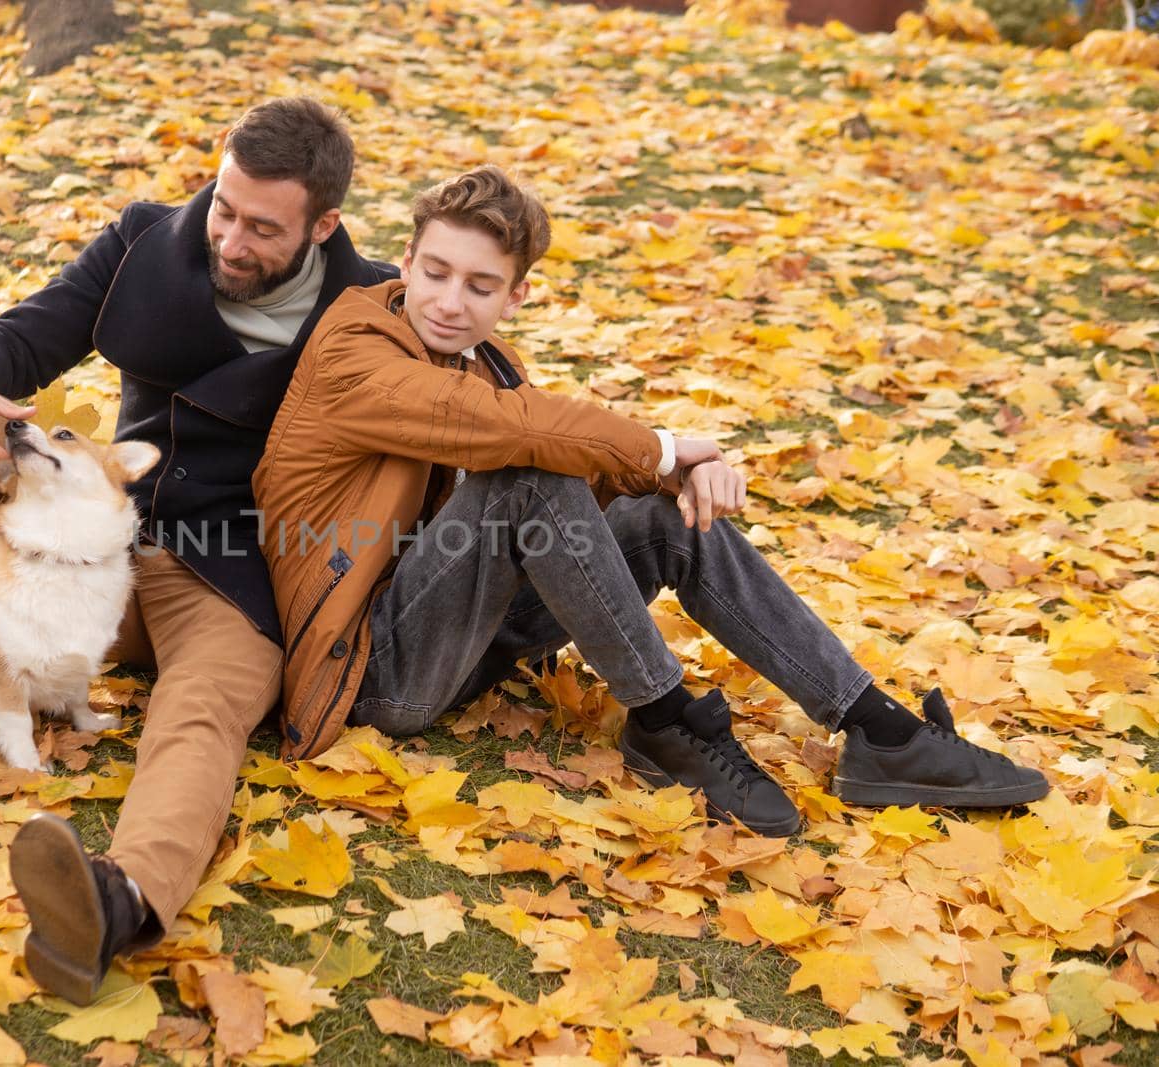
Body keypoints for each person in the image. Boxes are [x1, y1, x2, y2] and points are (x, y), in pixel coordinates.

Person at [0, 98, 394, 1004]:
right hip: (103, 537)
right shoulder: (146, 241)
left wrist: (657, 462)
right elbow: (25, 336)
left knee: (204, 711)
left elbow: (488, 402)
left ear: (325, 225)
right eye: (223, 209)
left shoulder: (371, 303)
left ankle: (119, 899)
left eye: (261, 229)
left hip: (232, 569)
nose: (228, 240)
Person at [252, 165, 1047, 837]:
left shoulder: (490, 358)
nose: (451, 301)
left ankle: (881, 730)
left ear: (518, 293)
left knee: (664, 521)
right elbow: (499, 435)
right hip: (371, 669)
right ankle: (667, 723)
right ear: (405, 259)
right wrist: (664, 448)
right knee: (523, 469)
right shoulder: (353, 347)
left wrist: (673, 479)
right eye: (435, 272)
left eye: (480, 285)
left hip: (471, 636)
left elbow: (562, 488)